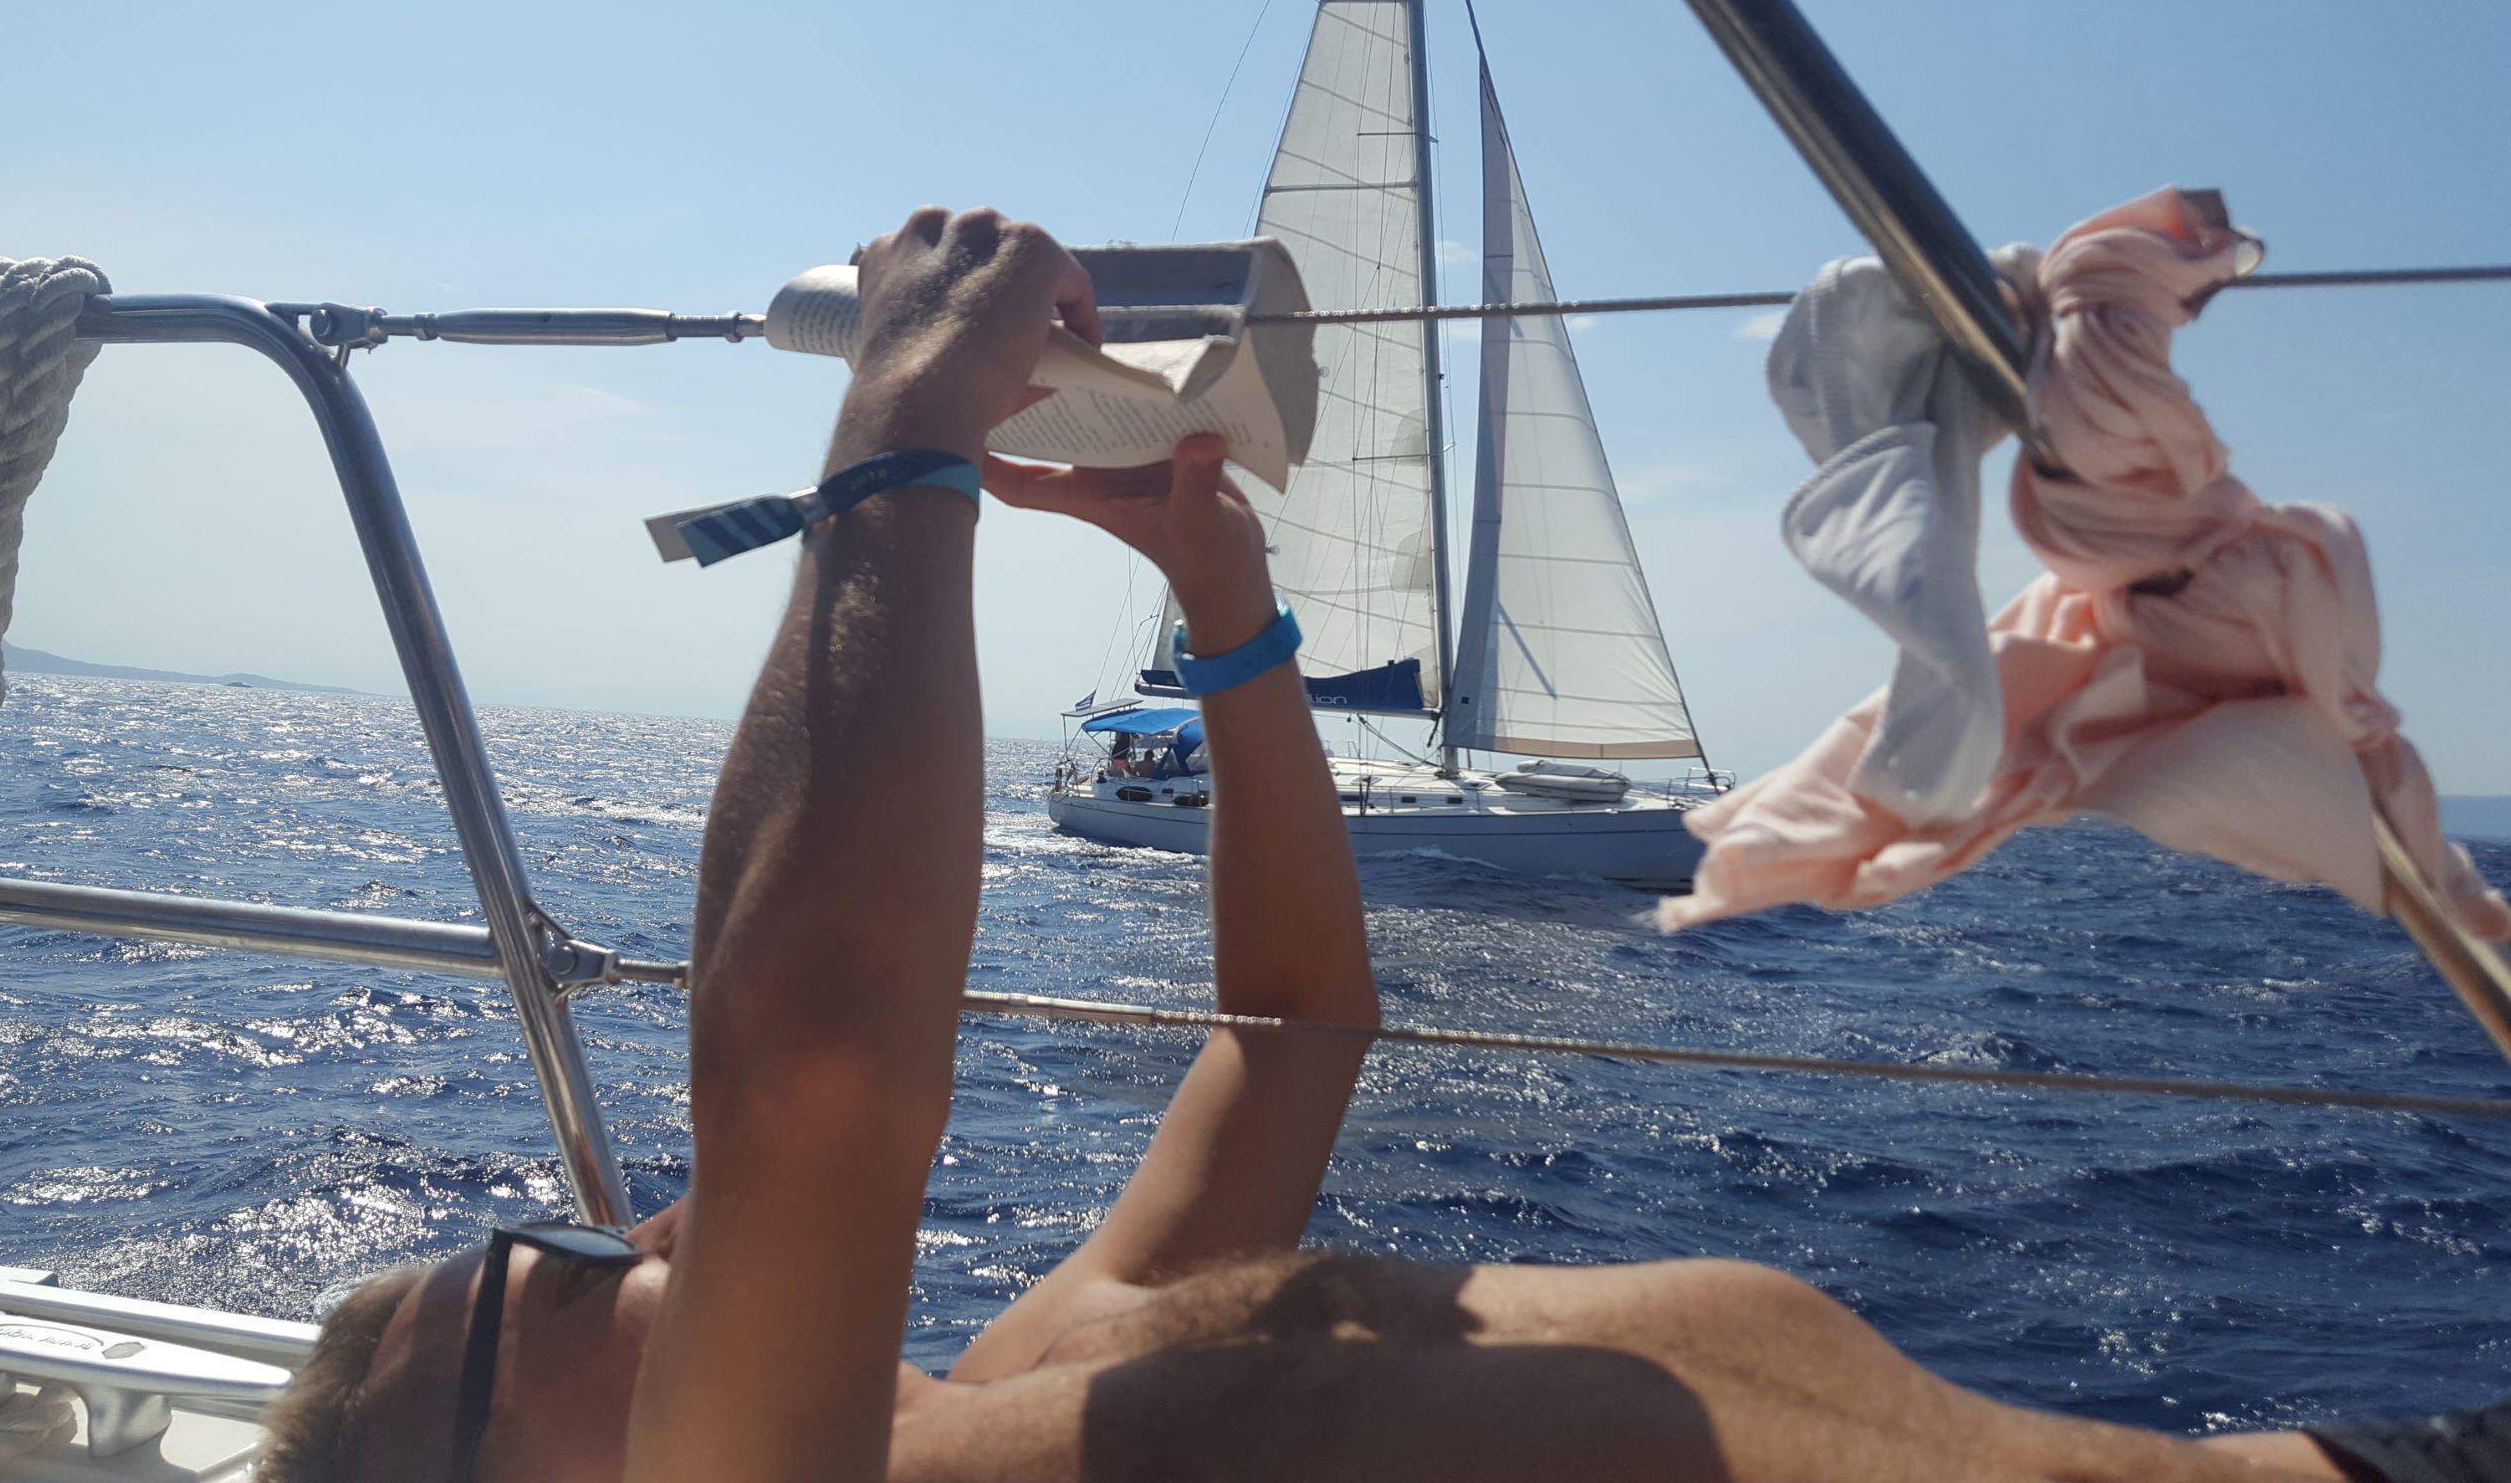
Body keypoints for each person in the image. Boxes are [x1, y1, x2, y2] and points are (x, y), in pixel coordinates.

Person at [251, 206, 2484, 1483]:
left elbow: (1305, 1026)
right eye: (547, 1261)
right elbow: (813, 1085)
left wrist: (1230, 617)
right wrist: (892, 442)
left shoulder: (1056, 1351)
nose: (620, 1216)